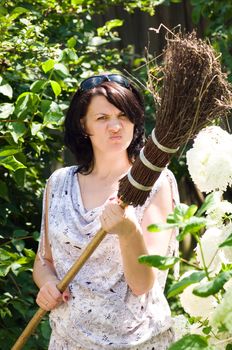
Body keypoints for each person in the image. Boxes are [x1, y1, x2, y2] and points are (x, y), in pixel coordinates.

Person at [33, 73, 179, 350]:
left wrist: (128, 231)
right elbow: (44, 260)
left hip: (137, 341)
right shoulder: (59, 183)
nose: (115, 126)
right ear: (83, 124)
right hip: (67, 341)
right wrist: (48, 284)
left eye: (123, 116)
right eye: (102, 118)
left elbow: (143, 283)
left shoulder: (155, 183)